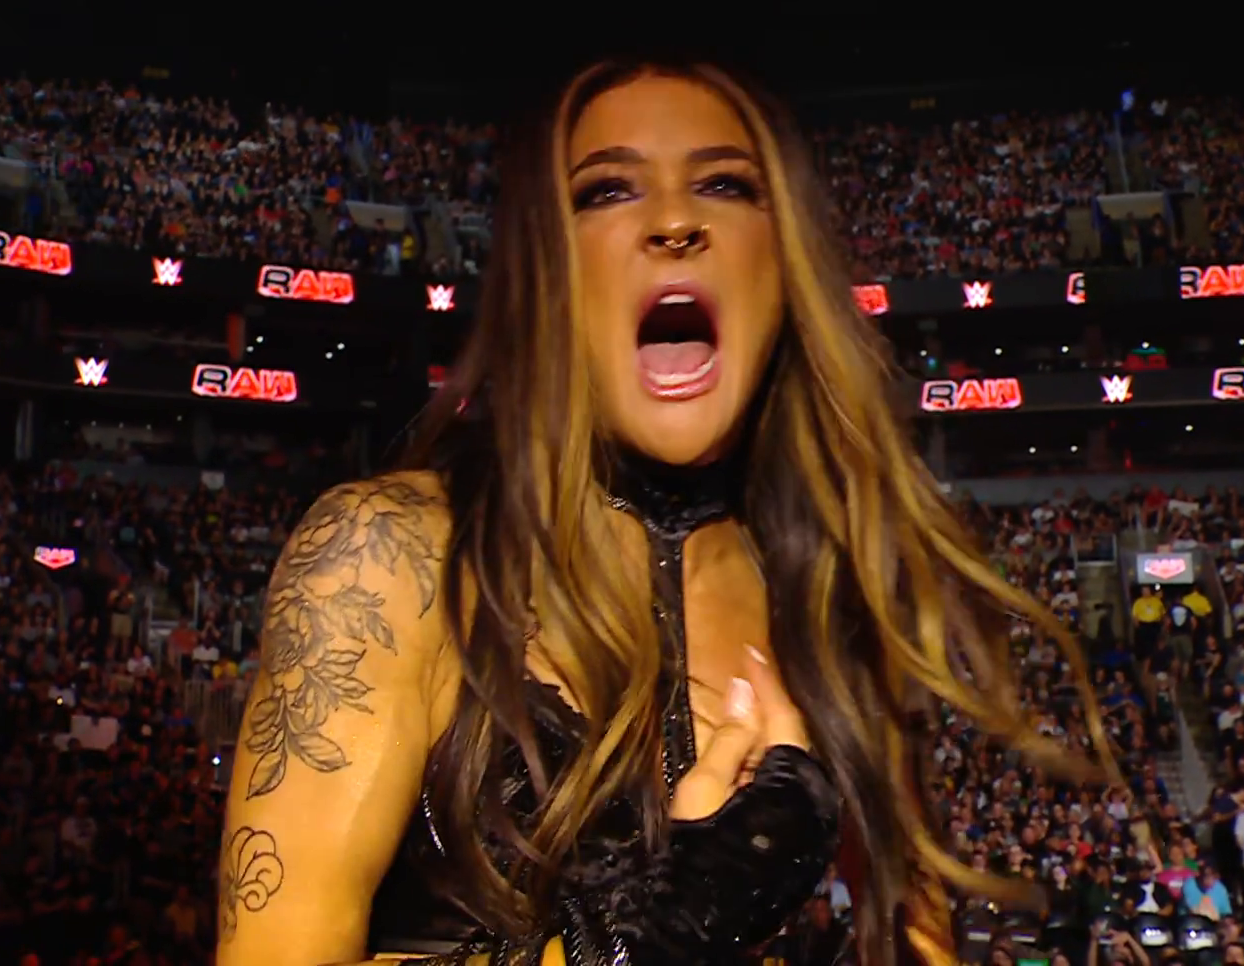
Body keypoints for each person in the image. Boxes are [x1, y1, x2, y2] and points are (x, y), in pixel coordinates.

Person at [215, 60, 1113, 966]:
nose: (676, 221)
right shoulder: (383, 556)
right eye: (607, 190)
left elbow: (918, 938)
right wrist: (661, 930)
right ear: (547, 269)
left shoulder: (831, 593)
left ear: (783, 262)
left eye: (724, 184)